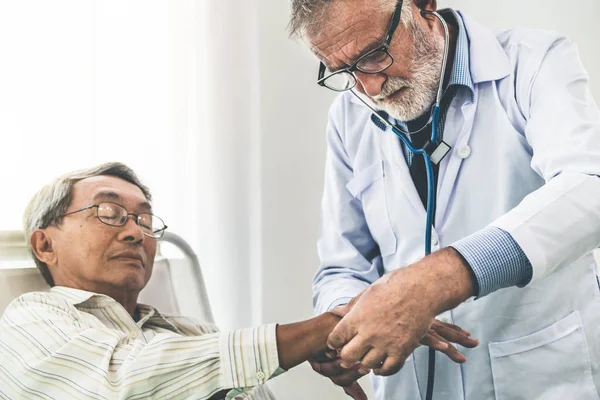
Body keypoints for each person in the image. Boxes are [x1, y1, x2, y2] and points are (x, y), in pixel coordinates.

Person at [289, 0, 600, 398]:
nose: (369, 87)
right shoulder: (348, 117)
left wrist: (439, 280)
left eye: (373, 55)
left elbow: (589, 185)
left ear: (423, 5)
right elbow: (341, 265)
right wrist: (343, 326)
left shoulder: (533, 63)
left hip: (536, 379)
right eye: (344, 72)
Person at [0, 162, 474, 399]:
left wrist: (349, 333)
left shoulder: (190, 334)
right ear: (44, 245)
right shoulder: (27, 321)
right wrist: (328, 324)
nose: (134, 231)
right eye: (108, 213)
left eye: (146, 221)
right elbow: (127, 382)